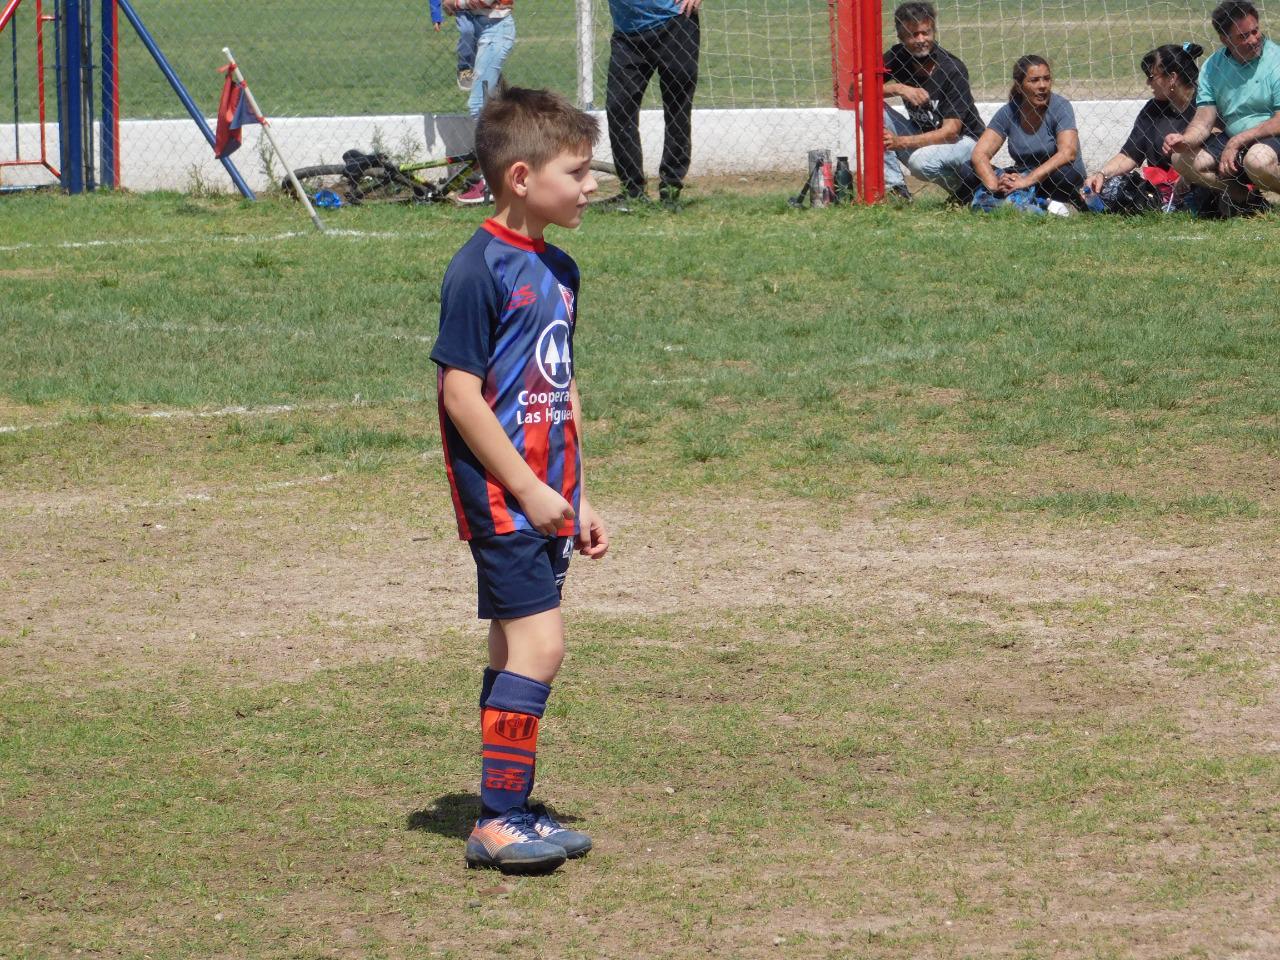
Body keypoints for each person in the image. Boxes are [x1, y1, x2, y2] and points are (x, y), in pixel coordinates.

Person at [431, 85, 609, 875]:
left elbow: (562, 386)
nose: (591, 184)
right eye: (577, 171)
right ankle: (499, 817)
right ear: (521, 179)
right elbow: (459, 395)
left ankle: (507, 804)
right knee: (542, 646)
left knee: (513, 647)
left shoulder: (561, 268)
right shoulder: (479, 270)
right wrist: (530, 491)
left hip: (548, 496)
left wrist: (578, 493)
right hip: (506, 497)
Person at [1164, 0, 1280, 214]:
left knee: (1257, 160)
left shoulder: (1276, 60)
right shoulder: (1212, 67)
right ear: (1224, 39)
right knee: (1181, 159)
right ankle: (1249, 200)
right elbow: (1204, 119)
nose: (1254, 39)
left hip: (1269, 136)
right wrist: (1185, 140)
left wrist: (1237, 140)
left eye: (1255, 31)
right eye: (1243, 36)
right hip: (1233, 141)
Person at [881, 1, 984, 202]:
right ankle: (896, 189)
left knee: (920, 163)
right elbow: (854, 91)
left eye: (925, 33)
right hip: (924, 134)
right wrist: (898, 88)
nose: (921, 40)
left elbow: (951, 131)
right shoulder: (896, 56)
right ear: (901, 36)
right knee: (865, 107)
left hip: (965, 141)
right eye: (913, 34)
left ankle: (970, 191)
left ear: (933, 31)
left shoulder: (952, 68)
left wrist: (900, 142)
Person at [604, 0, 702, 209]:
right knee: (618, 109)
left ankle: (671, 190)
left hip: (675, 24)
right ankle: (632, 193)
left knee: (677, 109)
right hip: (627, 34)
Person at [959, 55, 1088, 208]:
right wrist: (995, 183)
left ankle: (1030, 199)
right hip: (1022, 175)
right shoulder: (1009, 112)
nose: (1043, 86)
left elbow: (1068, 152)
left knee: (1066, 174)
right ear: (1019, 86)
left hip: (1052, 177)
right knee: (967, 168)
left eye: (1046, 79)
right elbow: (979, 153)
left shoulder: (1061, 106)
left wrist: (1027, 180)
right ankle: (1015, 196)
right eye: (1034, 80)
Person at [1084, 43, 1205, 200]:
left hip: (1200, 184)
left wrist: (1188, 176)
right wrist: (1101, 174)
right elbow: (1129, 155)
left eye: (1151, 77)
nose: (1148, 83)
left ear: (1172, 78)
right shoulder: (1152, 109)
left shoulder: (1204, 105)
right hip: (1162, 192)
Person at [444, 0, 518, 204]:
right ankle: (498, 176)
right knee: (491, 106)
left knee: (479, 106)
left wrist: (456, 4)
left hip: (495, 31)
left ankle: (491, 183)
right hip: (484, 29)